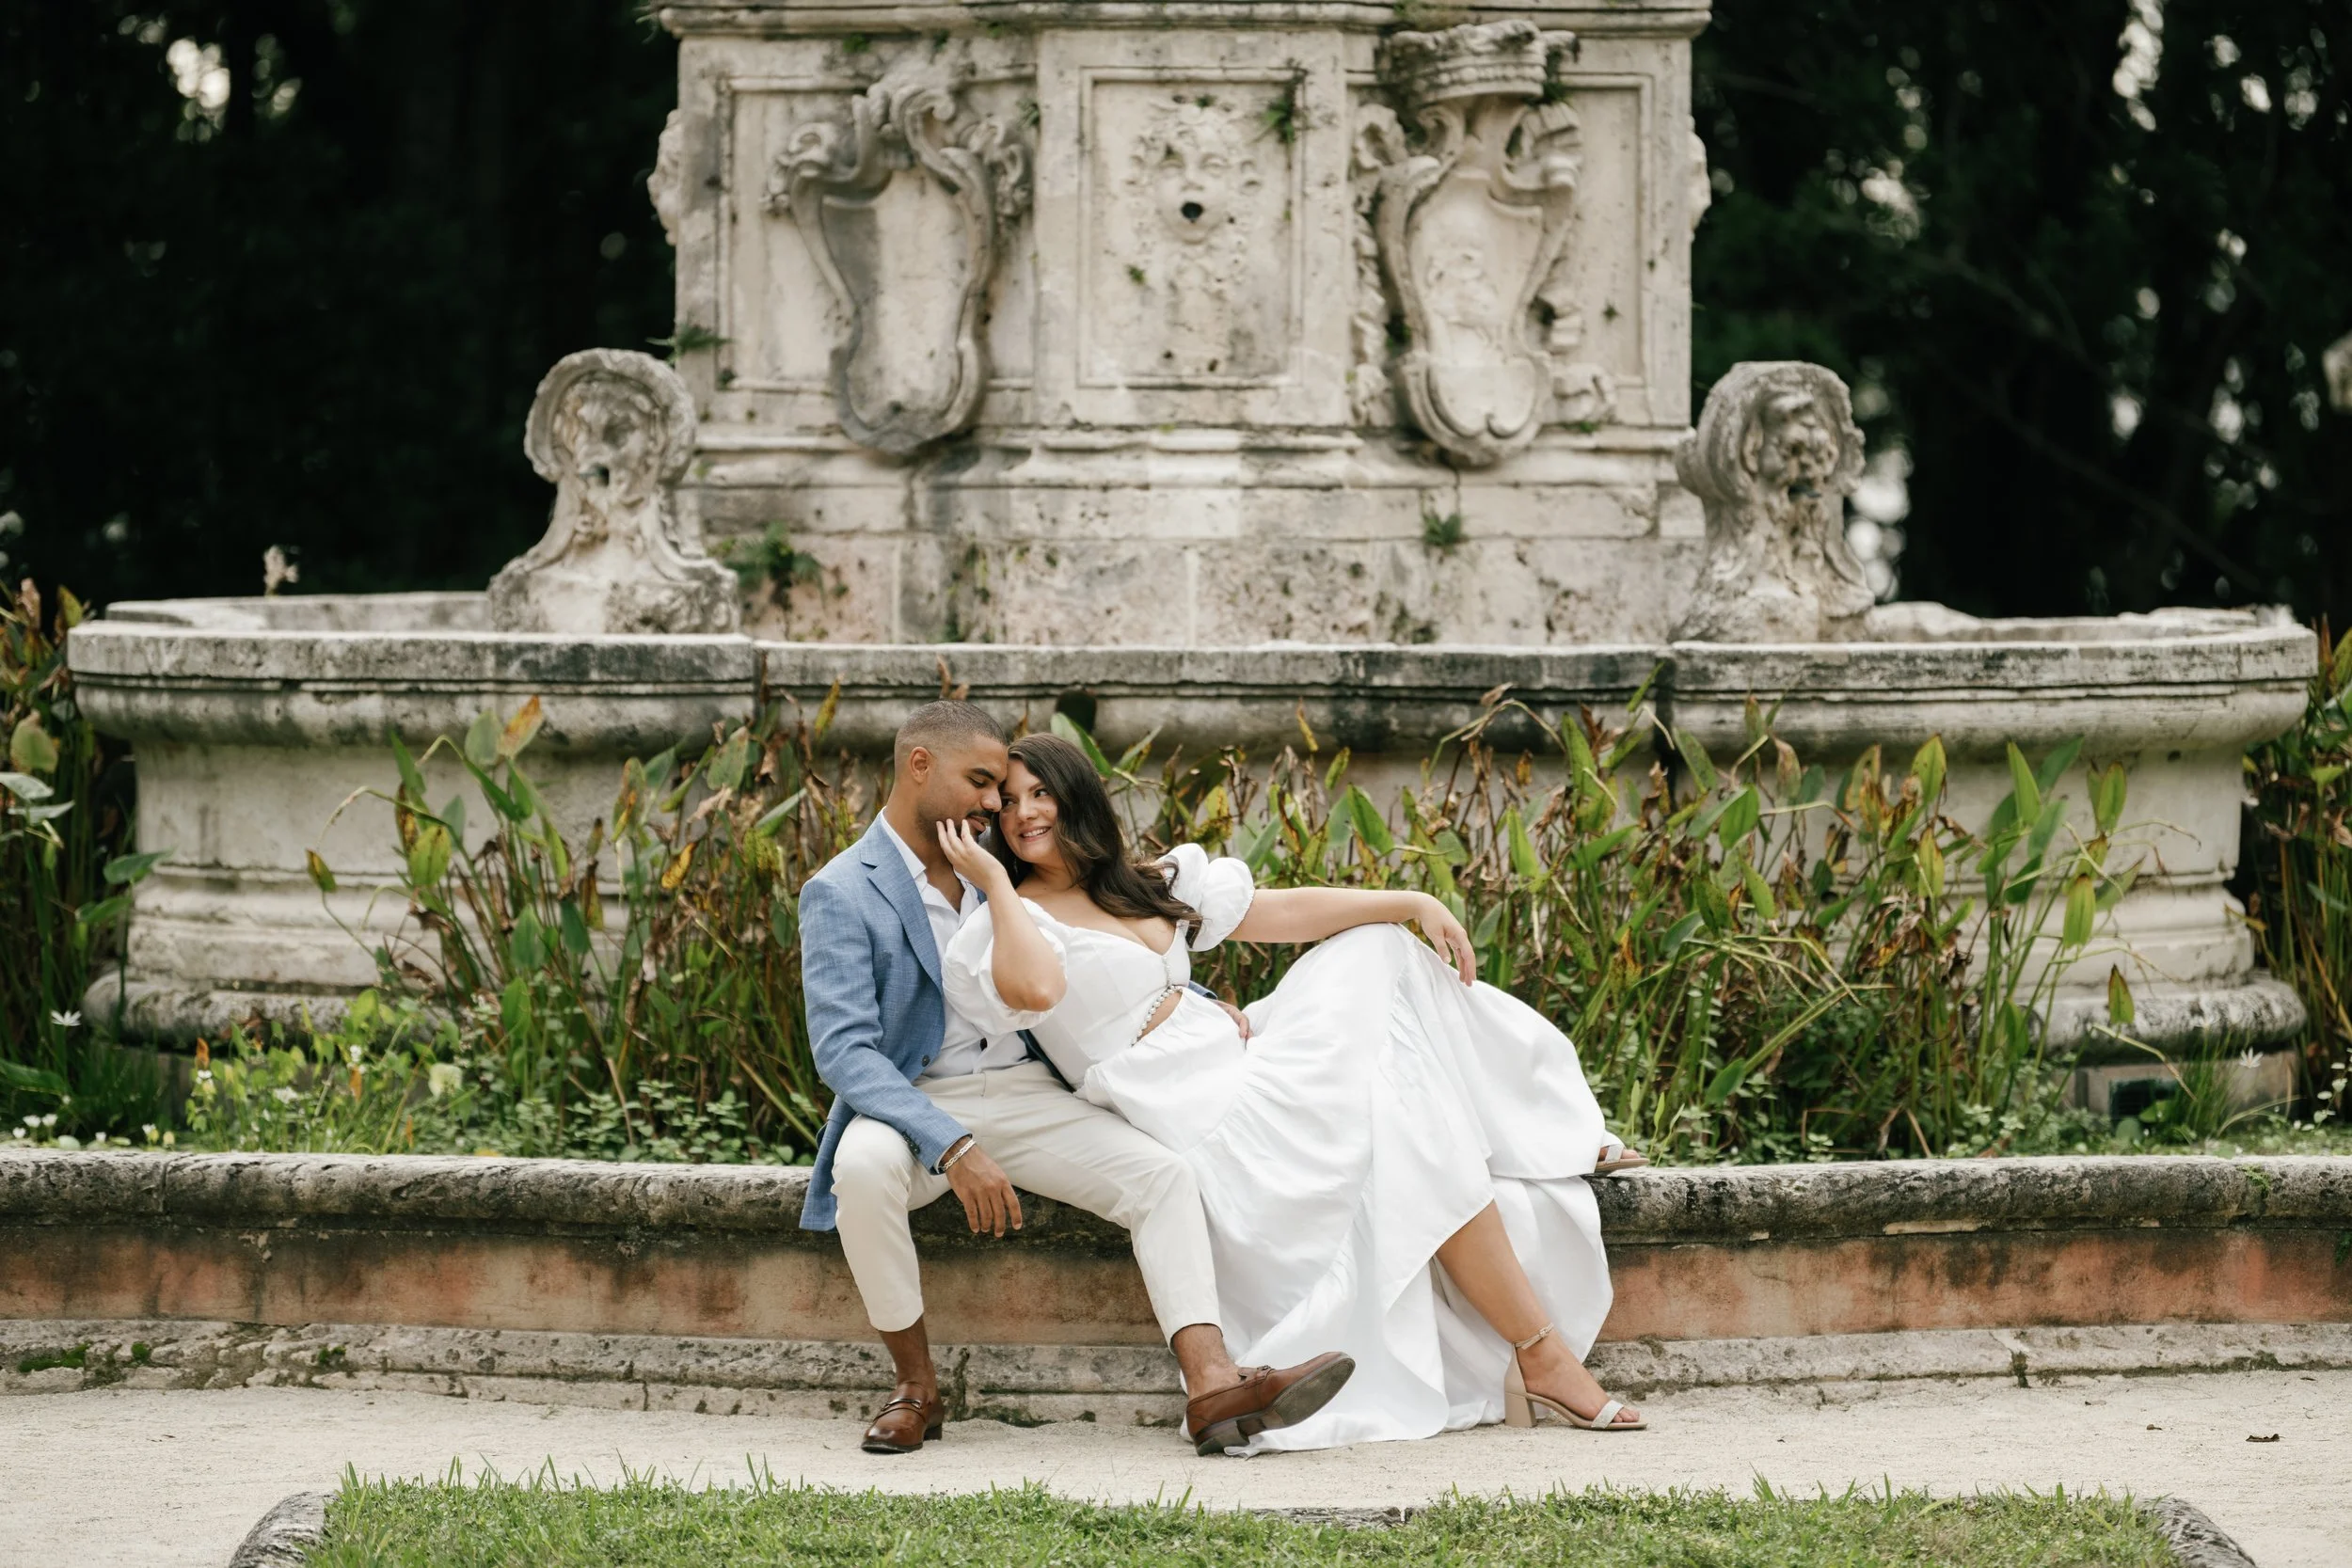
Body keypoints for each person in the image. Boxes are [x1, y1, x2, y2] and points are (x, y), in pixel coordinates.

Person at [939, 733, 1648, 1451]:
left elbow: (1278, 915)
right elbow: (1031, 988)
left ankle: (1541, 1163)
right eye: (1011, 803)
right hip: (1209, 1117)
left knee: (1378, 947)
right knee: (1410, 1124)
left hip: (1249, 1062)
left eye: (1041, 793)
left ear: (1076, 795)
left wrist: (1412, 899)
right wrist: (996, 884)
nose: (1025, 814)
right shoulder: (1012, 918)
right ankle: (1542, 1351)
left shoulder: (1138, 882)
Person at [797, 701, 1356, 1455]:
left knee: (1162, 1177)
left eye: (1002, 787)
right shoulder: (841, 889)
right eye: (982, 781)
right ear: (918, 766)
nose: (996, 802)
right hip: (917, 1102)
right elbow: (845, 1052)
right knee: (860, 1171)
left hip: (1033, 1092)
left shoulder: (1007, 865)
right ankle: (916, 1386)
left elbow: (1097, 957)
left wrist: (1184, 998)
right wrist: (951, 1144)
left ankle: (1213, 1382)